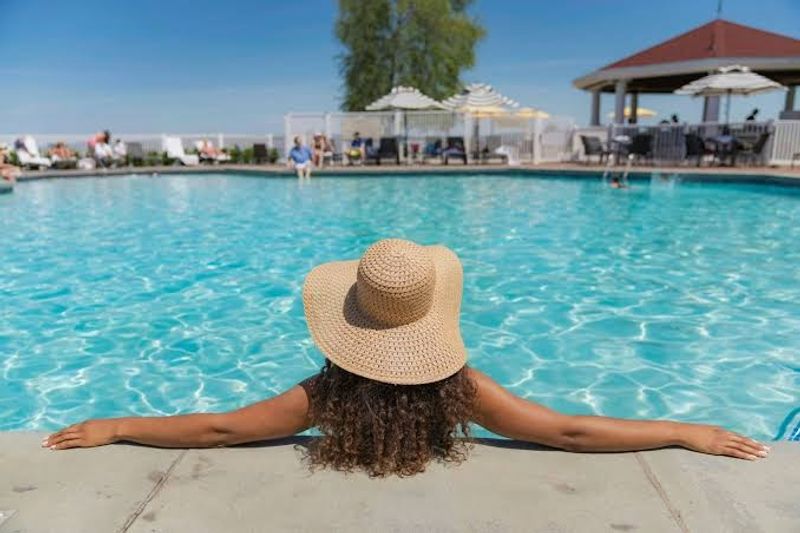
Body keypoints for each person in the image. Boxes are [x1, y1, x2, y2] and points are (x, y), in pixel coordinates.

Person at [42, 239, 768, 477]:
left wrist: (118, 424)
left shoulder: (323, 398)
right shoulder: (464, 389)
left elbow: (220, 429)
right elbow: (566, 430)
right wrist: (681, 429)